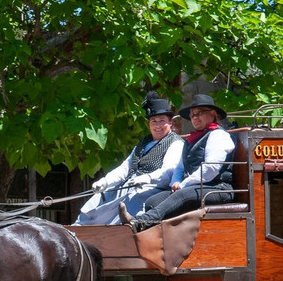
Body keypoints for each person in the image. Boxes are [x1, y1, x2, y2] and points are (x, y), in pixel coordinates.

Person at [119, 93, 234, 231]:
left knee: (181, 195)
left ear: (212, 114)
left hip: (218, 188)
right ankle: (156, 238)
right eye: (192, 115)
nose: (195, 118)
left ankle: (139, 223)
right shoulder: (191, 139)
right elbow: (180, 166)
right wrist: (175, 182)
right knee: (153, 201)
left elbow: (211, 169)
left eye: (199, 113)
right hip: (196, 187)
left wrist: (184, 184)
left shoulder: (219, 135)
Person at [74, 92, 183, 225]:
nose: (157, 126)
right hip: (128, 184)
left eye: (162, 121)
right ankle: (78, 228)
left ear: (170, 122)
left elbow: (170, 170)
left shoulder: (175, 143)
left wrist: (147, 178)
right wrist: (106, 181)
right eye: (153, 121)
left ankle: (117, 231)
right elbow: (125, 167)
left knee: (133, 197)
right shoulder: (144, 142)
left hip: (152, 188)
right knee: (103, 194)